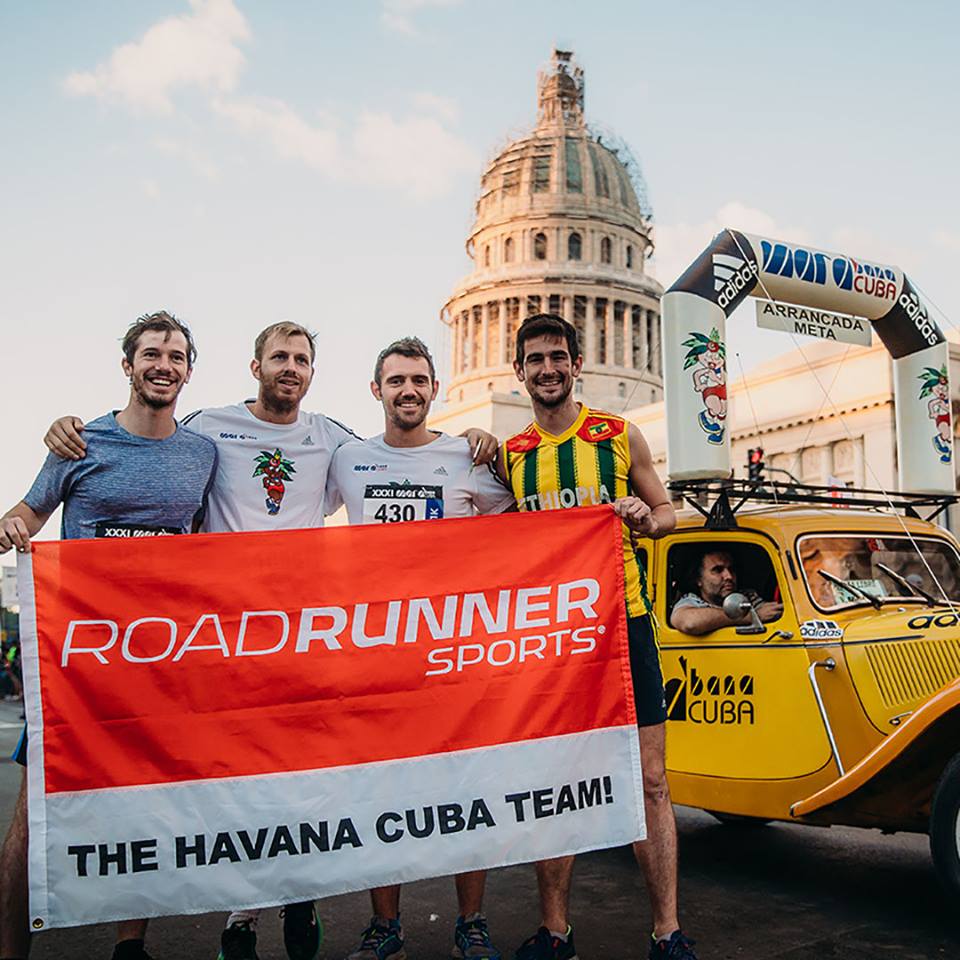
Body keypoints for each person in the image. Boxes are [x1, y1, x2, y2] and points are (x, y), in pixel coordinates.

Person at [43, 323, 499, 960]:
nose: (290, 368)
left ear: (313, 373)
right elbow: (149, 430)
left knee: (302, 777)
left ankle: (299, 892)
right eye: (279, 358)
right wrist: (75, 429)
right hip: (226, 635)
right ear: (254, 365)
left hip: (304, 635)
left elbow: (399, 462)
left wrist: (473, 441)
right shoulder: (207, 426)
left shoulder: (333, 441)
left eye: (301, 360)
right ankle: (241, 914)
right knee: (234, 778)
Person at [0, 311, 218, 960]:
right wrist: (11, 525)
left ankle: (131, 945)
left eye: (176, 356)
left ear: (187, 371)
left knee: (142, 811)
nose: (164, 365)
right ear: (128, 365)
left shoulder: (201, 453)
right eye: (152, 353)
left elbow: (204, 546)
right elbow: (27, 512)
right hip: (76, 661)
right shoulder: (79, 443)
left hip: (155, 661)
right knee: (31, 817)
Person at [497, 314, 697, 960]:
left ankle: (667, 931)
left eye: (559, 357)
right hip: (553, 641)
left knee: (651, 781)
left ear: (577, 363)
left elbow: (667, 513)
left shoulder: (618, 436)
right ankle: (556, 932)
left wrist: (648, 518)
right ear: (519, 371)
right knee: (556, 782)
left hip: (623, 627)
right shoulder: (513, 456)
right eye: (536, 360)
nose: (548, 369)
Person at [326, 337, 514, 960]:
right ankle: (385, 927)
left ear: (435, 389)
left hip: (455, 652)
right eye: (396, 380)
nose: (408, 390)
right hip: (378, 653)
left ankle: (472, 921)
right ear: (375, 390)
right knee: (385, 791)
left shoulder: (468, 457)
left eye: (419, 380)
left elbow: (522, 529)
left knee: (468, 789)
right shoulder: (347, 458)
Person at [670, 549, 783, 635]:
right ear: (698, 580)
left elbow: (770, 614)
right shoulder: (691, 601)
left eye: (731, 569)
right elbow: (690, 623)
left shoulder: (747, 596)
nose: (728, 576)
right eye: (718, 570)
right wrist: (752, 616)